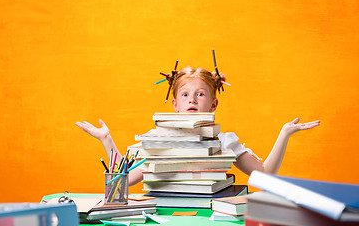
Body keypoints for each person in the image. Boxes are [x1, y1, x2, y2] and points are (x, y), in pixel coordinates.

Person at [76, 67, 320, 186]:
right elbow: (123, 181)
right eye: (184, 95)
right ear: (175, 105)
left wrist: (284, 133)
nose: (192, 99)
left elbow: (264, 174)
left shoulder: (224, 141)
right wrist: (106, 139)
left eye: (200, 94)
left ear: (213, 104)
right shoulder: (157, 140)